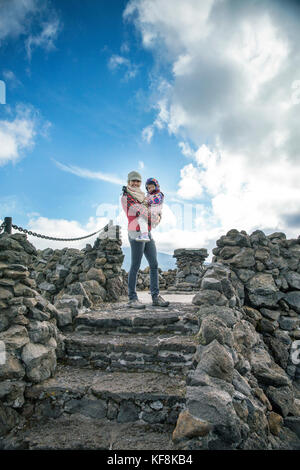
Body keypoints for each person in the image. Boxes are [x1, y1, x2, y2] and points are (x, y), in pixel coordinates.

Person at [121, 170, 170, 308]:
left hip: (147, 232)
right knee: (135, 265)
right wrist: (154, 217)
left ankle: (155, 297)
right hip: (135, 232)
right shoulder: (126, 197)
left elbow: (152, 210)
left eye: (138, 181)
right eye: (133, 181)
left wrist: (158, 216)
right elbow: (137, 211)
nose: (135, 183)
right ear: (128, 182)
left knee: (154, 264)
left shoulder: (143, 196)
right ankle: (132, 298)